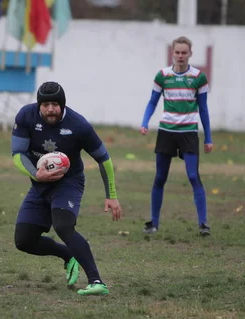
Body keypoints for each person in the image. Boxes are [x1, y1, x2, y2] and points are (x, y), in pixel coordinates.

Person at [11, 81, 122, 296]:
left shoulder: (78, 125)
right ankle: (68, 255)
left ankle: (97, 281)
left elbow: (104, 159)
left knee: (63, 226)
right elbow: (17, 154)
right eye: (45, 104)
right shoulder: (26, 116)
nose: (50, 109)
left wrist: (112, 196)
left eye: (55, 104)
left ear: (62, 105)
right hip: (40, 184)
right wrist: (36, 175)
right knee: (24, 240)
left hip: (68, 183)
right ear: (39, 105)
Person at [139, 36, 213, 236]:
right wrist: (145, 122)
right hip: (167, 132)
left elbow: (204, 109)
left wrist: (208, 138)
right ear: (172, 53)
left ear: (190, 54)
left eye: (184, 52)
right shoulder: (162, 76)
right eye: (177, 52)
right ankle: (153, 223)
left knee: (192, 176)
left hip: (189, 132)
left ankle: (203, 224)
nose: (180, 56)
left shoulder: (198, 77)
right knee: (160, 177)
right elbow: (152, 102)